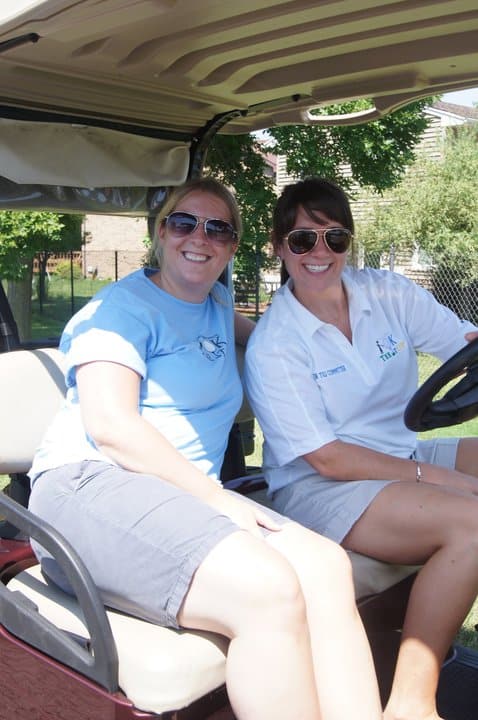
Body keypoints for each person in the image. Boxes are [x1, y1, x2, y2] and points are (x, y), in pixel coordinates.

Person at [27, 177, 382, 720]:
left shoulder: (215, 303)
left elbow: (269, 338)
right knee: (268, 589)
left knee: (327, 568)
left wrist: (341, 355)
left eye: (218, 228)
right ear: (160, 232)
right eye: (184, 223)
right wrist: (217, 499)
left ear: (233, 245)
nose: (200, 237)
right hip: (90, 488)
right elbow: (112, 426)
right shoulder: (122, 309)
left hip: (179, 500)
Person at [244, 175, 478, 720]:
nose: (319, 252)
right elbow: (327, 458)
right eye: (302, 239)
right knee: (472, 522)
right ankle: (411, 706)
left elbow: (461, 344)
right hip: (320, 487)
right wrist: (444, 480)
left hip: (401, 454)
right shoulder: (276, 344)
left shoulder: (387, 293)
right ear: (279, 247)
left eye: (335, 237)